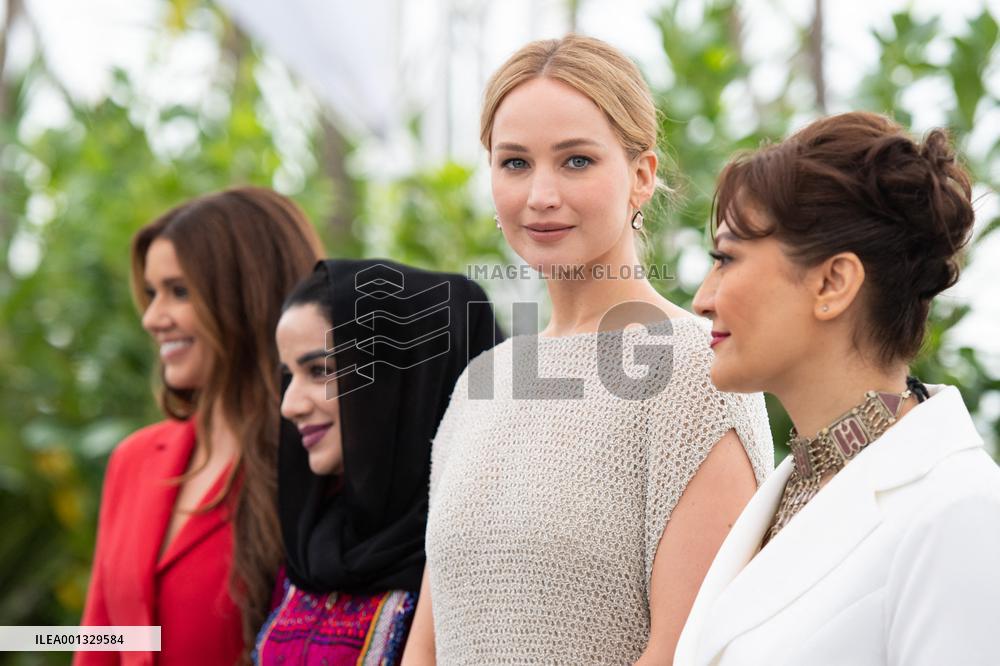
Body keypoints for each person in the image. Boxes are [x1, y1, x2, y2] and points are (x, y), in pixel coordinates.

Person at [402, 35, 773, 665]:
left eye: (575, 161)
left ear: (641, 176)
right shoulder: (481, 382)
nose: (541, 194)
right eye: (515, 163)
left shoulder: (699, 369)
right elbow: (430, 649)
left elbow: (685, 652)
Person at [674, 111, 1000, 665]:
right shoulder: (790, 489)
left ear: (832, 282)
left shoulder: (960, 511)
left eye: (726, 259)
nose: (702, 299)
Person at [77, 187, 324, 666]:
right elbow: (101, 643)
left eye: (179, 292)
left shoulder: (316, 461)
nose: (152, 318)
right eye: (151, 294)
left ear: (246, 296)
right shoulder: (133, 460)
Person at [253, 259, 503, 665]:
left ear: (402, 381)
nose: (288, 405)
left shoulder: (482, 559)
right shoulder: (311, 544)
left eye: (320, 371)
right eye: (288, 376)